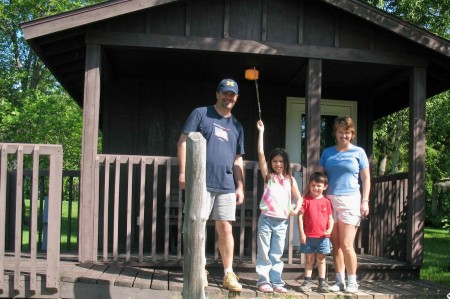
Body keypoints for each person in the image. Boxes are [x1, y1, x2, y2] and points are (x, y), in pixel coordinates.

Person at [177, 78, 245, 292]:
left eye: (232, 94)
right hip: (199, 182)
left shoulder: (237, 126)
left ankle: (228, 273)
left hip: (226, 184)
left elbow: (237, 159)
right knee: (196, 226)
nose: (228, 97)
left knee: (225, 227)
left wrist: (240, 185)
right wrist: (182, 172)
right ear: (217, 94)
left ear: (236, 98)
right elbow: (183, 142)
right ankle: (198, 269)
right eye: (225, 93)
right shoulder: (200, 113)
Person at [317, 115, 370, 294]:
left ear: (351, 134)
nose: (343, 136)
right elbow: (318, 178)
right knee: (336, 244)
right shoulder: (327, 153)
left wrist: (365, 201)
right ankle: (339, 281)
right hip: (330, 201)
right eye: (340, 132)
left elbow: (366, 178)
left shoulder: (359, 152)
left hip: (351, 200)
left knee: (347, 244)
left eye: (347, 132)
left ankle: (352, 281)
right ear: (335, 134)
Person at [255, 120, 302, 294]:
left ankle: (276, 281)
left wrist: (295, 210)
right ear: (271, 162)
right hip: (266, 220)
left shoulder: (290, 180)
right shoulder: (268, 176)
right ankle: (263, 280)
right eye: (275, 161)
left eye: (281, 161)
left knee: (276, 253)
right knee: (264, 252)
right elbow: (260, 153)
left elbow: (299, 198)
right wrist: (261, 131)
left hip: (282, 222)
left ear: (286, 162)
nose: (278, 164)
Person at [298, 172, 334, 293]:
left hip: (323, 237)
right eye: (313, 185)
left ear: (325, 187)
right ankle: (307, 281)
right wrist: (302, 233)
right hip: (308, 236)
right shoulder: (306, 200)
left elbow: (330, 218)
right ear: (309, 186)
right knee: (309, 259)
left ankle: (322, 282)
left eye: (319, 185)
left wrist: (330, 229)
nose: (316, 188)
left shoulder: (327, 202)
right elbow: (300, 217)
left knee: (321, 259)